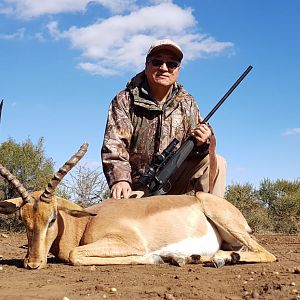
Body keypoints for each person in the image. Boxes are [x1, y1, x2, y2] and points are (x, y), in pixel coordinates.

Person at [101, 39, 226, 199]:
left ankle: (211, 219)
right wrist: (120, 180)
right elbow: (114, 145)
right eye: (157, 62)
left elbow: (196, 149)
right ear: (146, 66)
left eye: (172, 64)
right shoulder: (125, 99)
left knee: (217, 163)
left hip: (175, 179)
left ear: (178, 69)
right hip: (138, 186)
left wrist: (203, 142)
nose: (164, 68)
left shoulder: (187, 102)